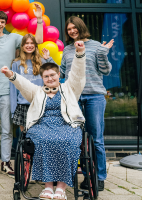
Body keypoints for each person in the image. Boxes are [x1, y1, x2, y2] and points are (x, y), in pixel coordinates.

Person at [1, 41, 87, 200]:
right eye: (46, 76)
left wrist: (80, 53)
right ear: (42, 79)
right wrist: (11, 75)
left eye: (53, 75)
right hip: (41, 125)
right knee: (44, 140)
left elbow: (77, 74)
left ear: (58, 75)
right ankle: (48, 187)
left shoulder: (70, 88)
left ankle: (61, 187)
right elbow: (24, 85)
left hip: (67, 125)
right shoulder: (37, 92)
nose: (50, 78)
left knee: (67, 141)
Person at [0, 4, 44, 181]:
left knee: (7, 129)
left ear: (5, 24)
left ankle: (6, 162)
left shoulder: (13, 38)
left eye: (2, 22)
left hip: (8, 90)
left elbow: (35, 41)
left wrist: (38, 19)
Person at [62, 16, 114, 191]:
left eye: (74, 28)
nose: (72, 31)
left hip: (94, 97)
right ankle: (87, 175)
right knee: (78, 140)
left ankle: (99, 177)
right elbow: (62, 73)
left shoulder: (97, 46)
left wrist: (103, 53)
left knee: (95, 139)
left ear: (80, 27)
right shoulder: (67, 50)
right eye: (69, 29)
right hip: (74, 98)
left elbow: (106, 71)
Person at [10, 33, 53, 132]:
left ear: (35, 45)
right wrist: (13, 109)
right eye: (26, 43)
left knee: (40, 133)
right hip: (23, 104)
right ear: (22, 46)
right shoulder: (16, 64)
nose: (29, 45)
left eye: (32, 43)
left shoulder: (42, 62)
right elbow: (13, 88)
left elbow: (57, 74)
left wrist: (49, 59)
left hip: (40, 103)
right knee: (25, 136)